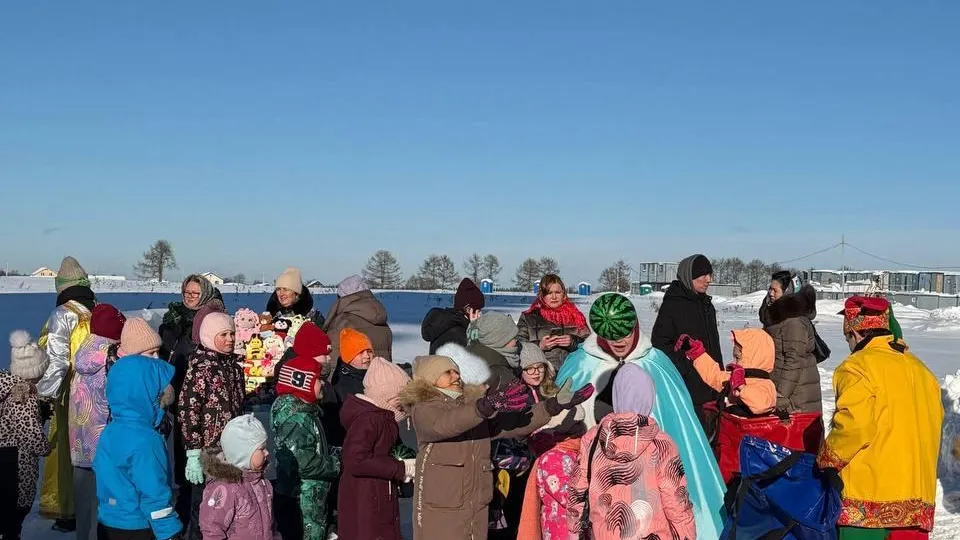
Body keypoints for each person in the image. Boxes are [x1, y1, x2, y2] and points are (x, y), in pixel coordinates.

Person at [556, 292, 726, 537]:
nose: (619, 341)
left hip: (653, 487)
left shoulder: (656, 361)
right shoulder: (580, 364)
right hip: (600, 490)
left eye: (625, 333)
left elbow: (680, 423)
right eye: (611, 335)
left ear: (635, 325)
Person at [398, 353, 592, 539]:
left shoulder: (470, 406)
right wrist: (483, 408)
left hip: (476, 504)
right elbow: (447, 423)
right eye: (447, 372)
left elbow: (513, 423)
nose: (456, 376)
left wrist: (551, 406)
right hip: (442, 507)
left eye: (456, 371)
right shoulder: (424, 408)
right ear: (431, 378)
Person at [818, 296, 943, 540]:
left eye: (847, 338)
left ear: (855, 333)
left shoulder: (857, 367)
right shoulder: (923, 371)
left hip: (868, 506)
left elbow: (855, 425)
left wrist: (827, 460)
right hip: (917, 506)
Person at [568, 364, 696, 540]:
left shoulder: (592, 439)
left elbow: (577, 490)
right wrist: (686, 535)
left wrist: (574, 531)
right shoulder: (661, 443)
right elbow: (676, 500)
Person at [93, 351, 182, 540]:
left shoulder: (110, 430)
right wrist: (169, 532)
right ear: (147, 395)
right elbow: (154, 491)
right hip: (138, 525)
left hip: (109, 521)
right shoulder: (146, 440)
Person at [36, 255, 95, 532]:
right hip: (97, 395)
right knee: (92, 450)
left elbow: (57, 361)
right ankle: (94, 509)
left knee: (66, 451)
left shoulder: (63, 314)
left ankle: (68, 510)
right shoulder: (98, 310)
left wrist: (43, 396)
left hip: (69, 393)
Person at [176, 313, 245, 540]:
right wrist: (193, 451)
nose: (230, 339)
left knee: (228, 506)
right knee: (204, 507)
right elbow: (188, 410)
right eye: (223, 335)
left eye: (232, 334)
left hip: (231, 450)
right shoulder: (200, 369)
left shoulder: (235, 369)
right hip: (208, 451)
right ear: (209, 336)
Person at [338, 358, 414, 540]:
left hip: (378, 493)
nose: (403, 406)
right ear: (387, 396)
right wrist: (400, 468)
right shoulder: (370, 419)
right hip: (366, 498)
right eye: (400, 399)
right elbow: (355, 459)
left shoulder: (383, 418)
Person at [70, 304, 126, 540]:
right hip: (103, 440)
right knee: (106, 501)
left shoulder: (84, 350)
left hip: (80, 443)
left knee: (84, 499)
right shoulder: (111, 359)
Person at [271, 355, 342, 540]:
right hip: (304, 498)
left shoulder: (306, 413)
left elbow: (313, 448)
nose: (323, 384)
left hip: (311, 496)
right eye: (318, 379)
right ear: (303, 383)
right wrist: (338, 463)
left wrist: (337, 452)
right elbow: (304, 462)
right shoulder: (297, 419)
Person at [650, 253, 722, 433]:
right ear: (689, 276)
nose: (709, 280)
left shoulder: (707, 305)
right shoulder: (674, 304)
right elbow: (660, 344)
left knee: (713, 436)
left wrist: (719, 373)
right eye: (703, 275)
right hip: (688, 387)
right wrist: (685, 368)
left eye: (710, 274)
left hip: (712, 384)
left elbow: (714, 345)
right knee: (694, 436)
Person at [0, 331, 52, 540]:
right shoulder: (23, 393)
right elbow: (29, 432)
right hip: (16, 463)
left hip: (4, 457)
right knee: (13, 514)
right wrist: (45, 447)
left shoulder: (5, 385)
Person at [199, 414, 279, 540]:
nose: (267, 452)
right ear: (243, 453)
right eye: (261, 449)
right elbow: (212, 529)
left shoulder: (262, 483)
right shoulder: (224, 488)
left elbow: (271, 524)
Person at [515, 409, 585, 540]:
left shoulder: (572, 453)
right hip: (562, 531)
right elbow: (570, 498)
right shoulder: (553, 457)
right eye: (578, 424)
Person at [760, 272, 823, 414]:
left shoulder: (793, 322)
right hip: (784, 386)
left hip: (796, 395)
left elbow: (794, 360)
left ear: (787, 293)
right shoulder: (778, 318)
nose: (770, 293)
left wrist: (781, 395)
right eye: (769, 289)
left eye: (775, 290)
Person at [678, 328, 777, 417]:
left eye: (737, 358)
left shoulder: (765, 384)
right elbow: (715, 376)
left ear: (754, 358)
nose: (733, 361)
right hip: (728, 428)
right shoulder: (735, 377)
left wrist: (741, 386)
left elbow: (761, 405)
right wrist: (696, 352)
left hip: (750, 431)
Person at [516, 274, 591, 370]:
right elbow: (517, 345)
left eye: (557, 292)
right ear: (542, 295)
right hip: (540, 373)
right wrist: (539, 345)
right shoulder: (529, 317)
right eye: (549, 293)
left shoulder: (576, 316)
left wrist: (573, 341)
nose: (554, 297)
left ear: (564, 294)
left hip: (572, 371)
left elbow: (590, 343)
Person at [323, 275, 393, 362]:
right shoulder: (382, 322)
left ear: (342, 297)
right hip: (380, 370)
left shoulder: (344, 322)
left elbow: (333, 359)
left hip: (352, 371)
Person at [421, 278, 484, 354]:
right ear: (468, 309)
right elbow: (477, 357)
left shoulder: (446, 323)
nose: (480, 314)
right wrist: (474, 331)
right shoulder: (459, 334)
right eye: (478, 310)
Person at [332, 328, 376, 403]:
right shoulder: (344, 385)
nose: (367, 356)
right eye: (360, 352)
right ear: (348, 357)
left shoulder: (374, 373)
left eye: (369, 351)